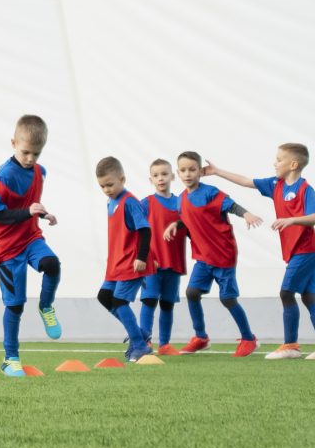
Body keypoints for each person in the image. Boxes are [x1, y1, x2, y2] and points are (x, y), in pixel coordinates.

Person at [204, 145, 315, 360]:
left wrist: (292, 219)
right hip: (299, 252)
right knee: (309, 297)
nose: (275, 163)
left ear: (293, 165)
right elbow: (247, 181)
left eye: (279, 159)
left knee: (286, 293)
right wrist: (218, 172)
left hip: (307, 250)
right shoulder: (276, 184)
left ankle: (291, 345)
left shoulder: (305, 189)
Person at [163, 152, 263, 356]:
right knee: (192, 293)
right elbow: (191, 218)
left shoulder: (210, 192)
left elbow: (231, 205)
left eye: (192, 169)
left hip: (223, 254)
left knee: (228, 298)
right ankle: (201, 337)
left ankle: (249, 338)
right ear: (178, 173)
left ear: (200, 171)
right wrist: (176, 224)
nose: (188, 173)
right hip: (202, 257)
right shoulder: (181, 199)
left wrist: (247, 214)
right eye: (183, 170)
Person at [0, 114, 63, 378]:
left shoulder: (40, 172)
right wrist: (28, 212)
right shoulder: (5, 175)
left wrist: (43, 214)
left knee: (52, 264)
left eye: (36, 154)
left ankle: (46, 306)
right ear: (13, 143)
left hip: (30, 238)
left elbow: (28, 204)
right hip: (7, 248)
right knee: (16, 305)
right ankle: (10, 359)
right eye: (26, 152)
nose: (30, 159)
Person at [94, 156, 155, 363]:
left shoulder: (130, 202)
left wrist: (142, 257)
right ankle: (139, 333)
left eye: (110, 184)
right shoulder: (111, 202)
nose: (107, 189)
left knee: (120, 301)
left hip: (132, 261)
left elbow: (145, 230)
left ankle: (139, 344)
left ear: (123, 179)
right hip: (116, 262)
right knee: (104, 297)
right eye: (102, 186)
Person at [139, 159, 187, 355]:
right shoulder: (146, 203)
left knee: (167, 304)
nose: (161, 178)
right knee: (149, 301)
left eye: (164, 174)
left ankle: (165, 344)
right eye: (156, 175)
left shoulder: (181, 203)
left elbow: (190, 224)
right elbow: (137, 232)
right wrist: (146, 257)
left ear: (173, 176)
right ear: (151, 179)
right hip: (152, 263)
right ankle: (144, 341)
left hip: (174, 263)